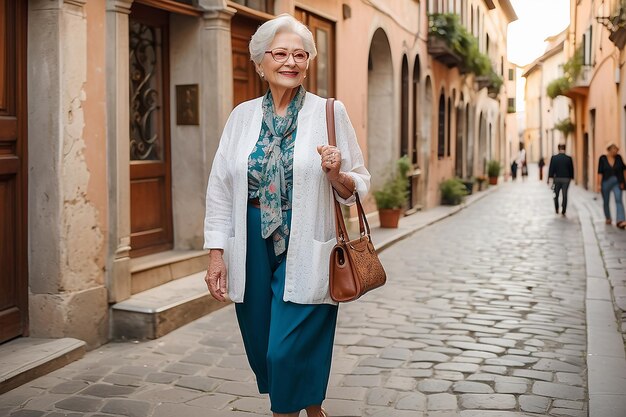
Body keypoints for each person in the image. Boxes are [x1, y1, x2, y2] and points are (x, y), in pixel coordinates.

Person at [203, 14, 370, 417]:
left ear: (309, 63)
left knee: (284, 349)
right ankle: (312, 407)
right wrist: (216, 252)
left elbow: (357, 186)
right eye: (280, 54)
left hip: (308, 241)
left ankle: (288, 412)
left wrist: (336, 173)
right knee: (262, 344)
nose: (290, 62)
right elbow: (221, 186)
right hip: (251, 242)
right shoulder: (241, 117)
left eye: (300, 54)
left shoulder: (330, 112)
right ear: (260, 62)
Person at [597, 143, 626, 228]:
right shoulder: (602, 158)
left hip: (617, 182)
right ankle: (608, 218)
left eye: (616, 149)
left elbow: (624, 169)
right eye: (614, 149)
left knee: (618, 200)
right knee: (606, 201)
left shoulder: (619, 158)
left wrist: (623, 182)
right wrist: (599, 184)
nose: (616, 151)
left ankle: (620, 220)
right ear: (609, 150)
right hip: (605, 182)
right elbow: (600, 172)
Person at [547, 144, 574, 216]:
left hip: (557, 179)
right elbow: (571, 169)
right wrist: (571, 177)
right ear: (565, 149)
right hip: (566, 179)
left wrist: (549, 178)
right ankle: (564, 210)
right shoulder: (568, 158)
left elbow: (551, 169)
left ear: (558, 148)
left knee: (556, 194)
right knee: (565, 195)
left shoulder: (554, 158)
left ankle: (556, 208)